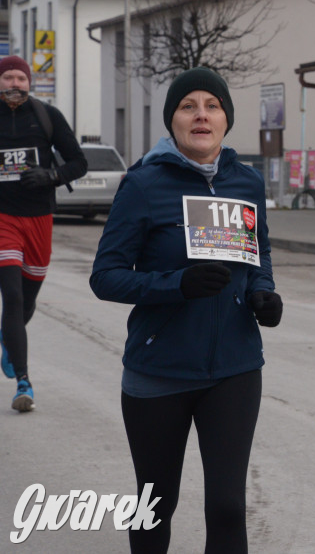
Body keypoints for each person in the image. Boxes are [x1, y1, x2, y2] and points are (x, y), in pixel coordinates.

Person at [90, 67, 283, 553]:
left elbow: (257, 254)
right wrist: (178, 284)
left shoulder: (247, 183)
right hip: (159, 371)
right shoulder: (143, 184)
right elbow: (106, 276)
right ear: (172, 121)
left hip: (235, 368)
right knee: (155, 506)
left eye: (212, 106)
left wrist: (262, 293)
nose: (201, 115)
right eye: (188, 106)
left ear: (226, 119)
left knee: (227, 508)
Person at [0, 55, 87, 412]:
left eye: (21, 78)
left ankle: (8, 339)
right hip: (3, 218)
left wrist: (51, 176)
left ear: (29, 82)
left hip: (39, 220)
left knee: (28, 300)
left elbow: (78, 162)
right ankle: (24, 382)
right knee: (13, 296)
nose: (15, 84)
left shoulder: (47, 116)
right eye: (8, 78)